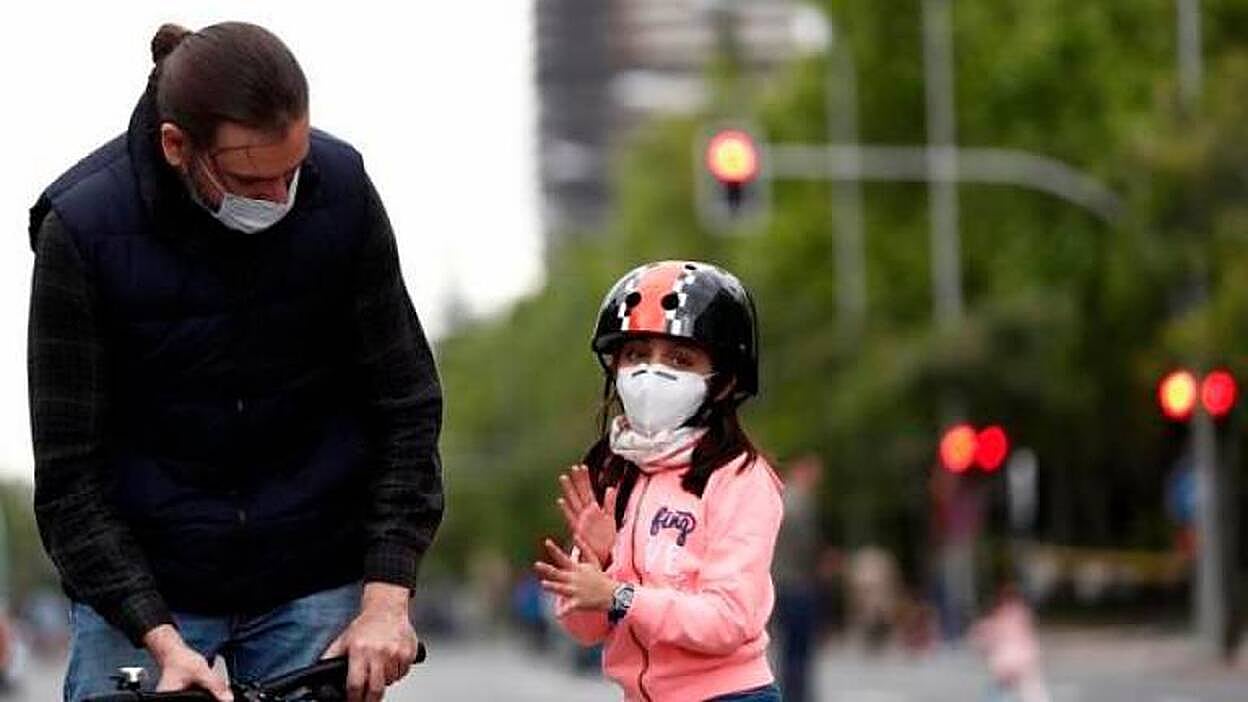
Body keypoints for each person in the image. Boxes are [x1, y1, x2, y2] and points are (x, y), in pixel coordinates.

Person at [27, 22, 444, 702]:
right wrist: (157, 637)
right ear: (176, 148)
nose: (282, 197)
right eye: (254, 178)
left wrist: (387, 597)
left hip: (311, 569)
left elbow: (406, 405)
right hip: (145, 592)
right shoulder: (80, 231)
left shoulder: (341, 192)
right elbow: (70, 481)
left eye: (294, 170)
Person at [533, 260, 785, 701]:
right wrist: (597, 562)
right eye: (636, 355)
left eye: (680, 359)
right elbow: (585, 630)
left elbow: (730, 620)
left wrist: (619, 594)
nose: (651, 373)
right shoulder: (615, 472)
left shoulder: (739, 478)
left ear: (723, 382)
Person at [771, 455, 822, 702]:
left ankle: (790, 693)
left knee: (788, 647)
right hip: (797, 582)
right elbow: (806, 547)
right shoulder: (800, 503)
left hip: (781, 581)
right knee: (799, 647)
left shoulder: (781, 498)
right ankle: (797, 695)